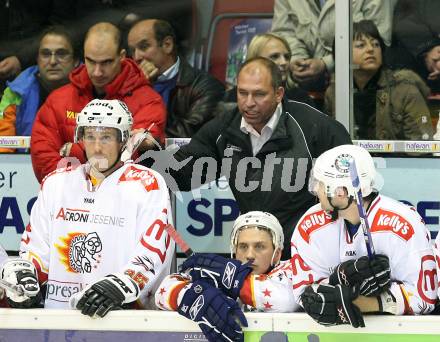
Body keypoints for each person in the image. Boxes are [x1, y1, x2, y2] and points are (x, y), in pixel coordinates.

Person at [164, 57, 351, 259]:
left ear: (279, 94)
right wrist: (147, 156)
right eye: (242, 93)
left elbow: (352, 189)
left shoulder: (313, 126)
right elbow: (182, 173)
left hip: (306, 251)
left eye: (259, 94)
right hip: (254, 253)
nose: (249, 103)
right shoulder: (223, 128)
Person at [0, 99, 174, 316]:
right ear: (80, 138)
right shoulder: (56, 183)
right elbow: (36, 249)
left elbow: (153, 252)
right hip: (57, 316)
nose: (98, 147)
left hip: (121, 317)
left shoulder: (146, 184)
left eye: (107, 137)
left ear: (124, 140)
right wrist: (27, 275)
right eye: (90, 136)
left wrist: (124, 284)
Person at [290, 144, 437, 328]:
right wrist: (340, 280)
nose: (315, 190)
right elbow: (305, 294)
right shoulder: (310, 226)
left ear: (341, 193)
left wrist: (366, 303)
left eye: (320, 184)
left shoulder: (403, 225)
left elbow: (425, 298)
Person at [30, 22, 166, 183]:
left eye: (106, 62)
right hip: (71, 201)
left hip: (123, 201)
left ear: (121, 56)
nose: (97, 71)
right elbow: (43, 160)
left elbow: (126, 155)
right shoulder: (58, 100)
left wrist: (73, 150)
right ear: (84, 56)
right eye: (91, 61)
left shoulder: (148, 101)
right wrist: (80, 190)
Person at [155, 211, 300, 341]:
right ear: (234, 251)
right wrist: (194, 295)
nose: (249, 255)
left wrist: (231, 279)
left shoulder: (293, 270)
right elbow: (162, 292)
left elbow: (286, 300)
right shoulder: (217, 274)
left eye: (259, 246)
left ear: (277, 254)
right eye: (243, 246)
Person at [325, 20, 434, 141]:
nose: (371, 49)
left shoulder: (405, 90)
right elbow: (330, 142)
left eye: (376, 44)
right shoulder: (335, 92)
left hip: (397, 159)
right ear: (342, 53)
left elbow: (421, 147)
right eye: (361, 45)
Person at [127, 19, 225, 138]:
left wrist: (149, 139)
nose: (136, 57)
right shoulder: (133, 85)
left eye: (144, 46)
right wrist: (141, 87)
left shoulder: (205, 86)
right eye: (133, 50)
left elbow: (187, 133)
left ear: (167, 45)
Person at [271, 0, 394, 91]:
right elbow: (284, 32)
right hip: (304, 88)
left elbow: (378, 40)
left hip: (360, 87)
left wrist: (325, 64)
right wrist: (299, 61)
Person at [0, 26, 79, 153]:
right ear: (37, 59)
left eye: (61, 54)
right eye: (46, 54)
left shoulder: (90, 89)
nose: (53, 61)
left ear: (75, 61)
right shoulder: (15, 92)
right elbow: (3, 145)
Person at [223, 33, 316, 108]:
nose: (284, 62)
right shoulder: (234, 98)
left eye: (287, 57)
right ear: (255, 59)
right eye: (275, 57)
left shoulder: (300, 99)